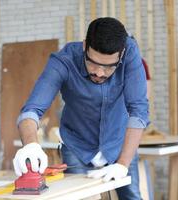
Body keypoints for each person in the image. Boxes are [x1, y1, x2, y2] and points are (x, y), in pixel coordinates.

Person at [13, 17, 149, 200]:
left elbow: (138, 110)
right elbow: (31, 110)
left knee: (131, 197)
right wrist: (30, 145)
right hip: (78, 146)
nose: (100, 73)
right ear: (85, 46)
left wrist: (123, 164)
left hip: (119, 143)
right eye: (93, 63)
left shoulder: (130, 53)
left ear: (121, 55)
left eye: (109, 67)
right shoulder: (63, 61)